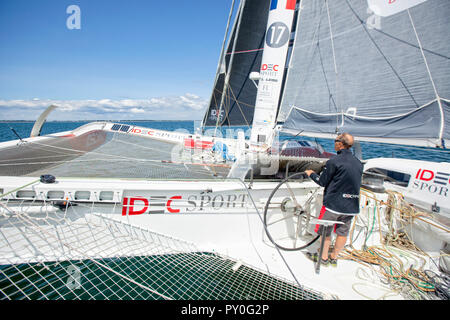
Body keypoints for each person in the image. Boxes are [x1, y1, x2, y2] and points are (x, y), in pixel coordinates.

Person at [304, 133, 363, 267]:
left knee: (326, 231)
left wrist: (311, 174)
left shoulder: (334, 161)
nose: (334, 143)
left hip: (334, 206)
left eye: (335, 141)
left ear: (340, 144)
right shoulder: (358, 163)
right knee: (342, 233)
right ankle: (334, 258)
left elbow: (322, 182)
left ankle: (323, 258)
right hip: (351, 206)